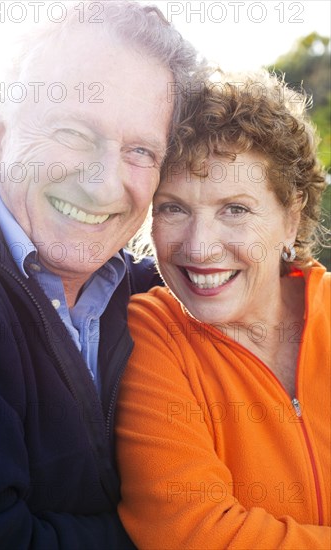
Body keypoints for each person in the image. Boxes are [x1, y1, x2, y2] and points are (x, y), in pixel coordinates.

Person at [0, 1, 202, 547]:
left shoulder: (153, 294)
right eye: (73, 132)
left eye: (140, 150)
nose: (102, 186)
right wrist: (176, 530)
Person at [116, 70, 331, 549]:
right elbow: (193, 534)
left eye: (235, 209)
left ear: (291, 217)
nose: (200, 247)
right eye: (173, 208)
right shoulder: (148, 335)